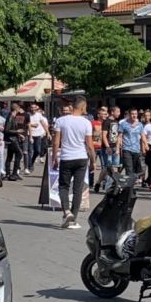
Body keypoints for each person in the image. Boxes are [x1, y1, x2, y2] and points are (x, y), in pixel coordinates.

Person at [52, 97, 95, 230]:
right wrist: (93, 161)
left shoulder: (61, 121)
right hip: (81, 157)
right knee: (78, 189)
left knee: (63, 186)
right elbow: (89, 144)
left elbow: (55, 142)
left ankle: (67, 212)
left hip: (66, 157)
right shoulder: (86, 123)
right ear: (82, 107)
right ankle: (73, 219)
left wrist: (54, 158)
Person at [116, 108, 146, 184]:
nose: (134, 115)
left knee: (136, 170)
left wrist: (145, 145)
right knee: (129, 170)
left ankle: (130, 187)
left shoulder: (140, 125)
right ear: (129, 114)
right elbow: (119, 137)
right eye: (132, 114)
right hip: (126, 149)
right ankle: (130, 190)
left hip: (136, 150)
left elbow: (143, 136)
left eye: (135, 114)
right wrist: (117, 149)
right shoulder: (123, 124)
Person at [4, 103, 29, 181]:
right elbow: (7, 130)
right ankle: (14, 174)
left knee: (9, 156)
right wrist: (17, 131)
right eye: (18, 109)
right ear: (16, 109)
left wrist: (18, 134)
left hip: (13, 138)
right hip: (12, 139)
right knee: (19, 154)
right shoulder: (10, 117)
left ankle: (9, 173)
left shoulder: (12, 116)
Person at [26, 103, 50, 174]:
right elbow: (26, 124)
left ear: (36, 108)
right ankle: (30, 166)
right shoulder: (28, 115)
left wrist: (48, 133)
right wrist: (32, 125)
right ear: (30, 108)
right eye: (31, 108)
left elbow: (43, 124)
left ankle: (32, 162)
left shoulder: (39, 115)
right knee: (30, 151)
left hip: (38, 135)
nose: (33, 109)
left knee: (37, 151)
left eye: (34, 108)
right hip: (30, 134)